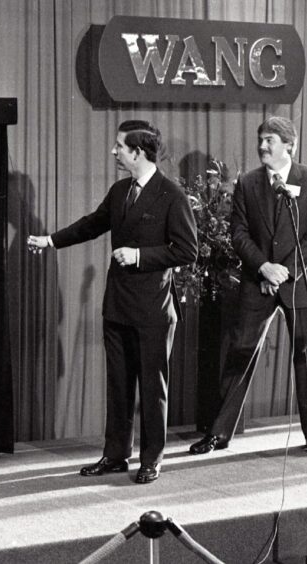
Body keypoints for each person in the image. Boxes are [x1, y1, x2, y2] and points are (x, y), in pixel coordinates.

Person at [28, 120, 197, 483]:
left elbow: (187, 250)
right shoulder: (121, 190)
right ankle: (116, 455)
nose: (114, 151)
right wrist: (51, 241)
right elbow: (91, 224)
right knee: (118, 385)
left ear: (138, 153)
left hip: (153, 310)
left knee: (152, 389)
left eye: (120, 146)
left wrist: (138, 257)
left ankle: (152, 459)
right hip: (117, 306)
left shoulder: (171, 195)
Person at [190, 116, 307, 455]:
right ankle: (219, 433)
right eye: (260, 139)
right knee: (240, 352)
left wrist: (285, 271)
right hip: (258, 281)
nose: (262, 146)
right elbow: (238, 233)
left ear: (290, 145)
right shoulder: (248, 183)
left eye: (269, 140)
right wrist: (264, 267)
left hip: (297, 281)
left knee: (305, 355)